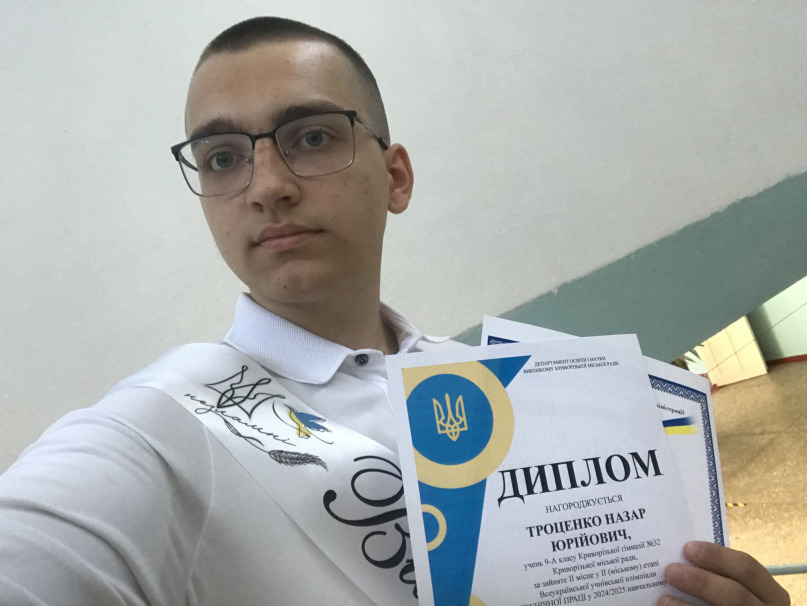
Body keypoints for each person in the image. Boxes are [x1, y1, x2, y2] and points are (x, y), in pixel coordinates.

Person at [0, 16, 790, 606]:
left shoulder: (494, 387)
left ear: (397, 178)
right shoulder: (162, 427)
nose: (266, 185)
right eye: (223, 157)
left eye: (311, 137)